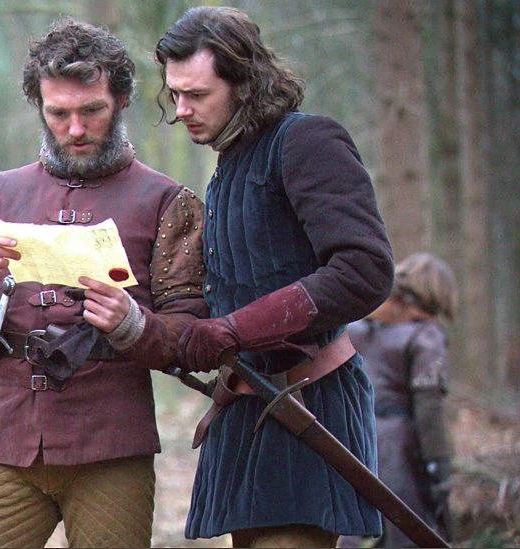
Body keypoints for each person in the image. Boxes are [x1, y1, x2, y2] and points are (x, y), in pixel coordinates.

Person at [0, 17, 207, 548]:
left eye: (91, 111)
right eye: (58, 113)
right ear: (40, 108)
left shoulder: (169, 203)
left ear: (121, 100)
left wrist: (133, 324)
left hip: (111, 444)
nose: (75, 129)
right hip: (4, 440)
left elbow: (192, 337)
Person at [154, 6, 394, 548]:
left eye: (197, 94)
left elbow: (364, 271)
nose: (182, 110)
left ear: (244, 83)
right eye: (176, 95)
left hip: (309, 404)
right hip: (248, 409)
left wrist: (235, 329)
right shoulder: (228, 167)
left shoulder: (307, 141)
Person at [343, 252, 457, 548]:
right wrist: (438, 466)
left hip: (350, 437)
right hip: (399, 447)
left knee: (347, 530)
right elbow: (429, 409)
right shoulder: (426, 337)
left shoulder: (354, 329)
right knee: (408, 533)